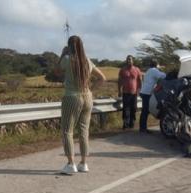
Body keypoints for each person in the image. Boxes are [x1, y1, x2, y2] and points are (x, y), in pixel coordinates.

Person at [56, 35, 106, 175]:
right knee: (84, 131)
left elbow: (57, 71)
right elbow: (102, 78)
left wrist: (62, 54)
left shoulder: (67, 59)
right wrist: (91, 89)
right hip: (87, 96)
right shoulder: (87, 61)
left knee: (67, 131)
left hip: (72, 97)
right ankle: (83, 163)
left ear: (69, 46)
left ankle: (71, 163)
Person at [139, 59, 166, 133]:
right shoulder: (154, 70)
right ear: (156, 65)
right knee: (145, 110)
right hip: (147, 93)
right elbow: (163, 76)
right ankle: (143, 128)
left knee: (145, 110)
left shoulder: (149, 70)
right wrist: (162, 70)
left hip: (144, 92)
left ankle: (142, 127)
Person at [118, 55, 142, 129]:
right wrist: (119, 91)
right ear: (126, 60)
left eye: (130, 59)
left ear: (133, 61)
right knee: (126, 109)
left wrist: (140, 90)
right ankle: (125, 124)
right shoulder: (122, 70)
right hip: (125, 93)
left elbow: (140, 80)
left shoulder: (137, 69)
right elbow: (119, 81)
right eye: (128, 59)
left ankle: (132, 123)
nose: (129, 61)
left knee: (134, 108)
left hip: (134, 93)